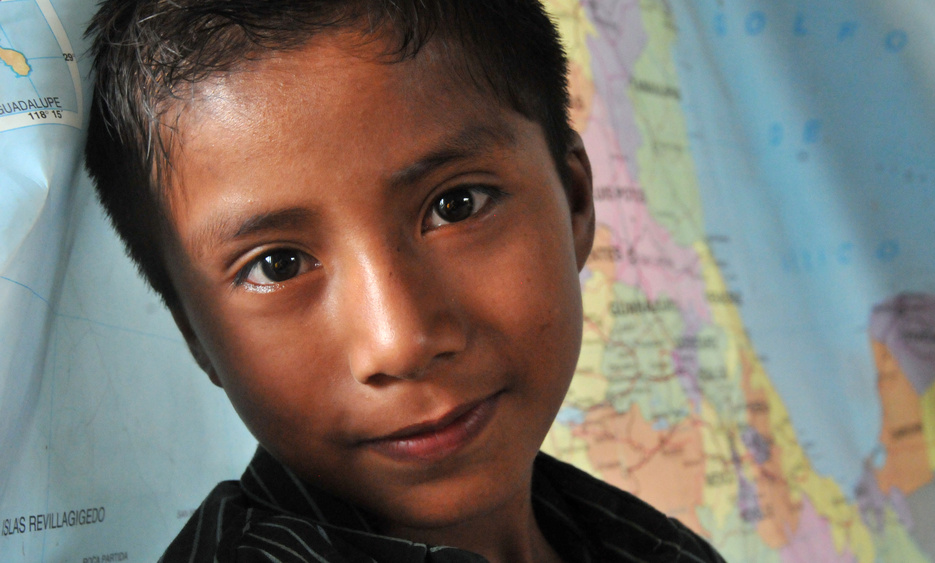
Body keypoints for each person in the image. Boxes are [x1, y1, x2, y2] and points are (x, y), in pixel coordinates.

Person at [85, 1, 727, 561]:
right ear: (194, 333)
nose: (402, 342)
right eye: (276, 265)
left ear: (577, 200)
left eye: (456, 206)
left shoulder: (654, 547)